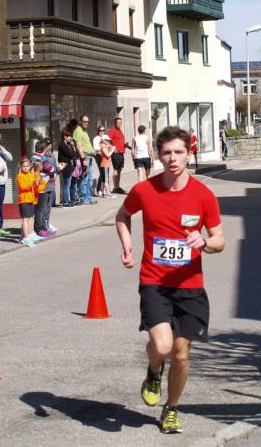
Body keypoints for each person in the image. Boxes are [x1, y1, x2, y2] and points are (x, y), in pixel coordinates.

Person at [115, 126, 225, 434]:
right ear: (158, 156)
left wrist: (205, 242)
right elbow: (122, 216)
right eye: (166, 153)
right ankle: (154, 371)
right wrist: (127, 243)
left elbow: (220, 239)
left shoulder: (203, 195)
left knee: (181, 355)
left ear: (188, 154)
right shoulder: (144, 191)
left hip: (190, 285)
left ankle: (171, 408)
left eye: (178, 152)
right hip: (155, 282)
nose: (173, 158)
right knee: (162, 347)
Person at [17, 157, 47, 248]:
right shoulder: (20, 176)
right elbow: (23, 187)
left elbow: (36, 188)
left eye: (27, 166)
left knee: (31, 218)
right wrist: (33, 183)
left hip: (32, 199)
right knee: (25, 219)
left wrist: (43, 183)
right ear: (20, 167)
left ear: (30, 166)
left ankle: (25, 236)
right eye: (23, 166)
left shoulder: (31, 175)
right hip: (24, 200)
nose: (25, 168)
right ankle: (26, 238)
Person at [73, 115, 97, 204]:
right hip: (85, 157)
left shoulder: (84, 131)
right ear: (80, 122)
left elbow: (86, 144)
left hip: (89, 157)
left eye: (87, 121)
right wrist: (83, 159)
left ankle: (89, 197)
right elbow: (78, 146)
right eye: (84, 121)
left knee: (90, 179)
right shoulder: (78, 131)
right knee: (84, 179)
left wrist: (93, 151)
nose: (86, 123)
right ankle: (83, 198)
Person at [108, 117, 127, 194]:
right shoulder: (112, 131)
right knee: (116, 170)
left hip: (121, 152)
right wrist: (112, 148)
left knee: (119, 170)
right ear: (115, 123)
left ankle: (117, 187)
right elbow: (106, 141)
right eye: (118, 122)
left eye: (120, 122)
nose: (119, 124)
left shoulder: (120, 131)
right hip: (116, 153)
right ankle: (115, 188)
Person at [93, 125, 108, 196]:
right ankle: (99, 189)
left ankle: (104, 189)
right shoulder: (96, 138)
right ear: (98, 131)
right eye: (100, 130)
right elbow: (97, 149)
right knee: (102, 172)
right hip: (99, 156)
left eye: (103, 130)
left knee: (106, 173)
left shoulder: (105, 137)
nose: (102, 132)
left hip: (106, 156)